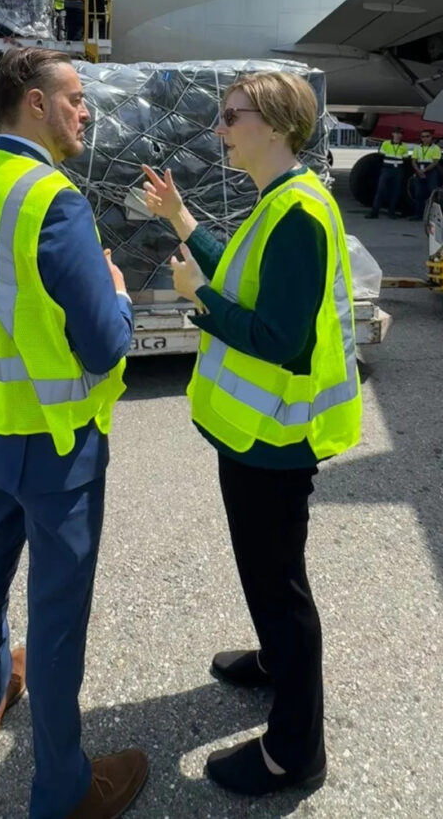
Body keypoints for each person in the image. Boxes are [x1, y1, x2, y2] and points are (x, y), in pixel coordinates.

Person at [141, 71, 361, 799]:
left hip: (274, 441)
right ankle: (273, 659)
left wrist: (198, 298)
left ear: (274, 124)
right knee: (265, 576)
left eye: (231, 116)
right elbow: (244, 281)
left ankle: (295, 753)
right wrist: (181, 217)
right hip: (253, 436)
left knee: (279, 585)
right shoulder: (278, 200)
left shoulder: (296, 213)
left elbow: (280, 340)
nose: (221, 129)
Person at [0, 48, 148, 819]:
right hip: (56, 442)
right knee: (58, 624)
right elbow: (104, 343)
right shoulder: (53, 200)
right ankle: (63, 790)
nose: (85, 110)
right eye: (74, 97)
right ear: (34, 103)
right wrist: (118, 292)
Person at [366, 126, 409, 219]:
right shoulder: (386, 144)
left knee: (395, 191)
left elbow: (405, 158)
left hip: (398, 170)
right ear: (392, 134)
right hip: (387, 169)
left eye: (400, 134)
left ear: (402, 136)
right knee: (380, 190)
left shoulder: (404, 146)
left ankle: (391, 212)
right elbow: (381, 155)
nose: (398, 135)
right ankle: (374, 212)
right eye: (396, 133)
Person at [410, 127, 442, 220]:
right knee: (418, 193)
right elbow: (413, 161)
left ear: (431, 137)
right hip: (419, 169)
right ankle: (418, 215)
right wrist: (418, 171)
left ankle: (433, 216)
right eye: (423, 136)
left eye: (427, 136)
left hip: (431, 170)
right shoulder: (417, 147)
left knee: (432, 193)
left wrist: (425, 170)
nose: (425, 138)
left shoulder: (436, 148)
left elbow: (435, 162)